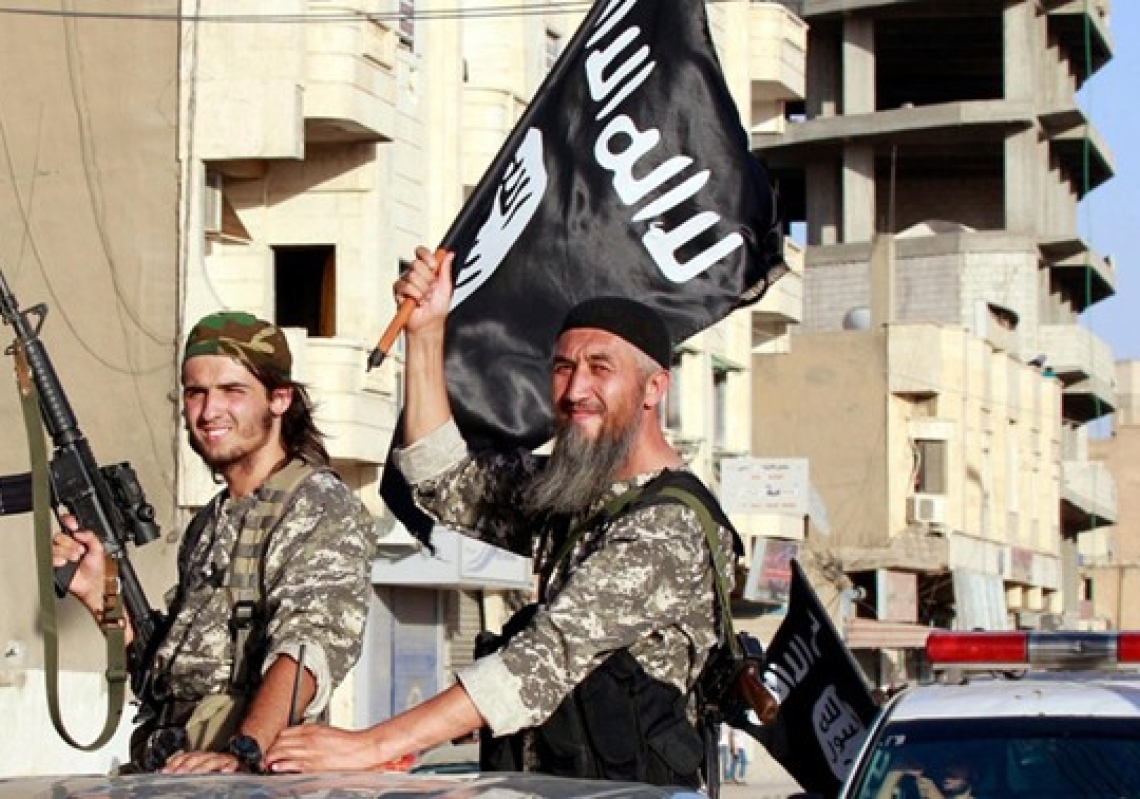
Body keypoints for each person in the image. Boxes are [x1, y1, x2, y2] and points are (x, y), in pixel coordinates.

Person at [267, 247, 740, 787]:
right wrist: (425, 332)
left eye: (600, 368)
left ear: (654, 388)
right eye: (563, 368)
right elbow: (442, 480)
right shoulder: (579, 493)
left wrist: (370, 746)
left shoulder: (668, 527)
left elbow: (540, 661)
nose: (575, 390)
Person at [52, 311, 375, 774]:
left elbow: (309, 648)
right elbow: (164, 678)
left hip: (248, 778)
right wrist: (102, 596)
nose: (208, 412)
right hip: (175, 767)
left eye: (232, 391)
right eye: (196, 392)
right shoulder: (209, 521)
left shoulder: (316, 504)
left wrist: (243, 753)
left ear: (280, 399)